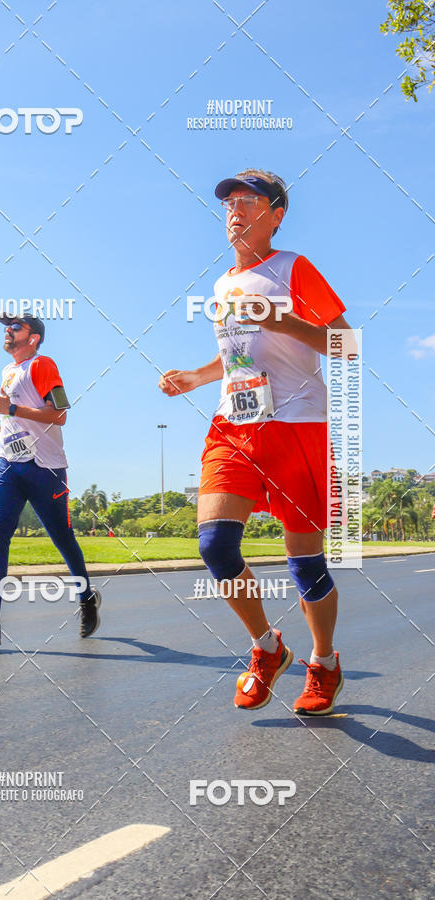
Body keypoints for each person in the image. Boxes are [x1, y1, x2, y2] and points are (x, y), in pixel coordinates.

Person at [159, 169, 352, 715]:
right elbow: (236, 357)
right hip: (234, 426)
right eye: (228, 204)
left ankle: (323, 663)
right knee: (216, 546)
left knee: (305, 564)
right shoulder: (222, 285)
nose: (235, 211)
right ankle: (267, 647)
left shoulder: (294, 268)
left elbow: (347, 344)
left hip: (297, 426)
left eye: (248, 201)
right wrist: (195, 378)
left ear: (277, 214)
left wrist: (289, 323)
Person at [0, 314, 101, 646]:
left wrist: (13, 411)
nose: (8, 330)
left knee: (63, 539)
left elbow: (60, 414)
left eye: (16, 327)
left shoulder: (43, 364)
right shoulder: (7, 372)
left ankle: (87, 597)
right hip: (7, 465)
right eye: (7, 327)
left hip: (45, 468)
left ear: (33, 338)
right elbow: (14, 416)